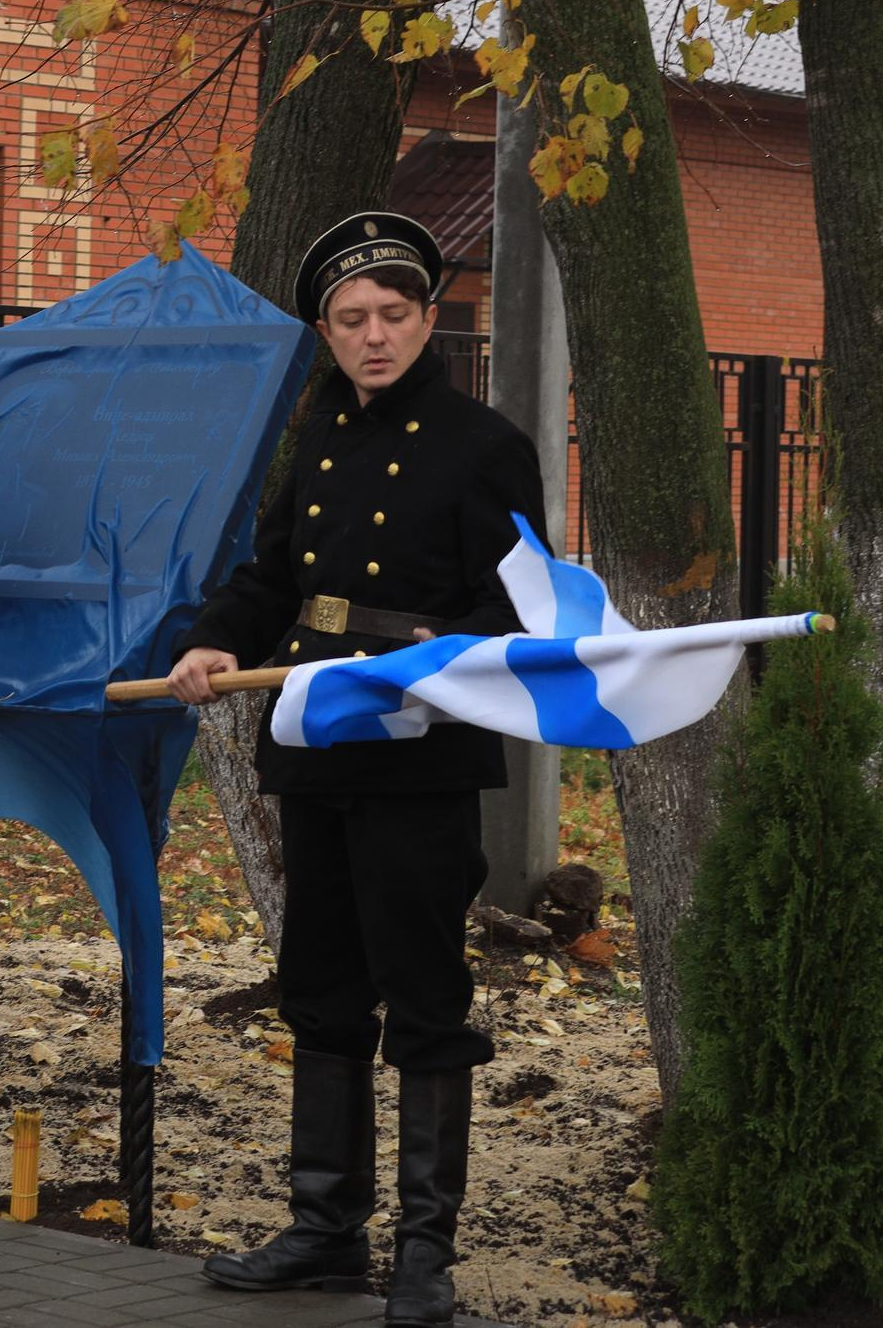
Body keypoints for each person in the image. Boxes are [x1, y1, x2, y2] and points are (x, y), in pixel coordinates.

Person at [164, 212, 545, 1328]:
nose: (372, 336)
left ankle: (424, 1256)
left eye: (392, 315)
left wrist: (427, 670)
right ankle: (325, 1229)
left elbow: (517, 604)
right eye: (350, 319)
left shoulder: (485, 444)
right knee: (321, 987)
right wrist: (214, 639)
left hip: (424, 749)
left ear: (428, 320)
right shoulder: (318, 441)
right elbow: (271, 570)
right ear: (325, 332)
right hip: (318, 735)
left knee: (424, 997)